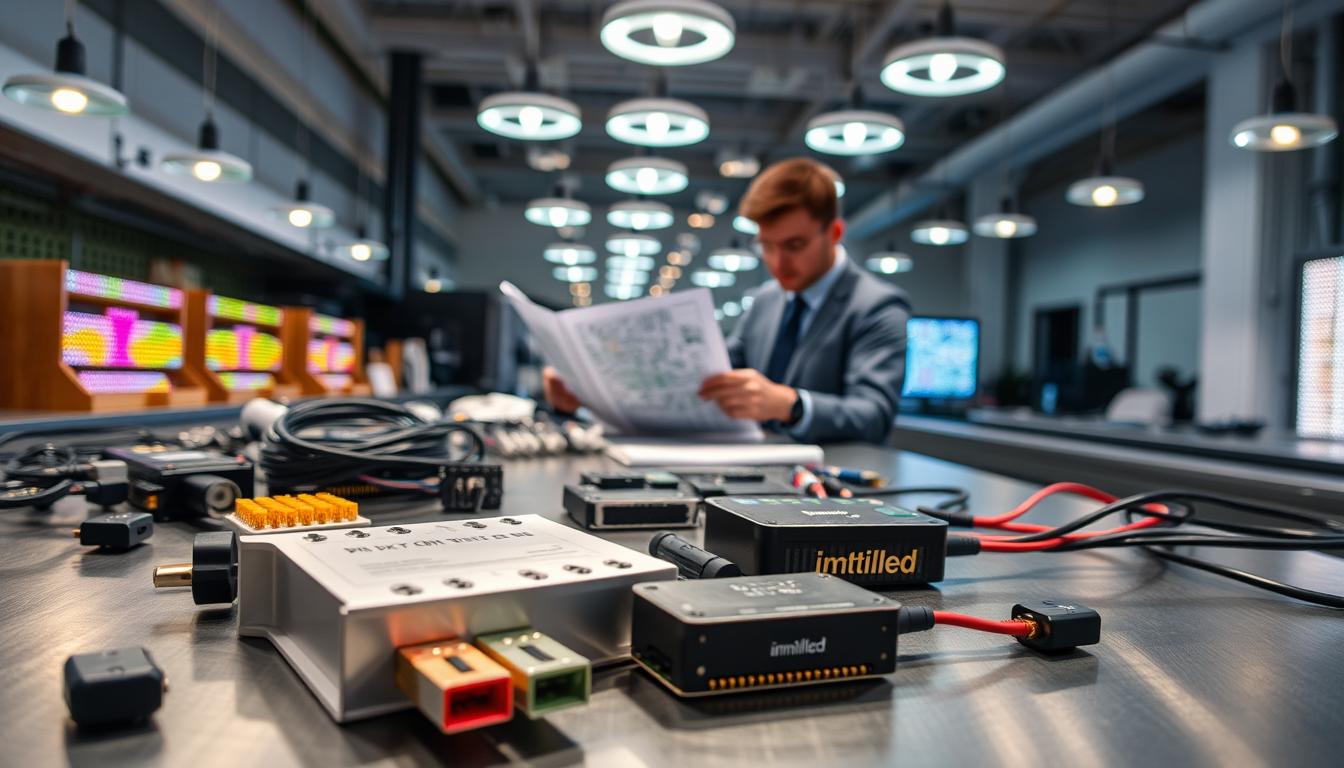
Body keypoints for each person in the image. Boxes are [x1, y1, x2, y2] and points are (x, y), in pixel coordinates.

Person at [544, 157, 910, 444]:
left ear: (834, 232)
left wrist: (791, 405)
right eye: (766, 246)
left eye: (794, 245)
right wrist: (591, 386)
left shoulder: (877, 306)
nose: (777, 262)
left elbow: (874, 415)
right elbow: (710, 374)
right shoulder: (767, 300)